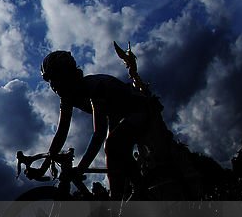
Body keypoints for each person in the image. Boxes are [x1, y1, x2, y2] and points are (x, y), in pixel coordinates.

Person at [39, 49, 165, 200]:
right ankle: (131, 191)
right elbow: (61, 133)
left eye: (55, 79)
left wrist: (81, 168)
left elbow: (98, 134)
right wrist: (42, 168)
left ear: (67, 76)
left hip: (142, 110)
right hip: (118, 115)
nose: (52, 86)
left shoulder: (93, 87)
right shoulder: (67, 97)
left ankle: (125, 195)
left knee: (111, 144)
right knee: (114, 151)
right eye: (50, 82)